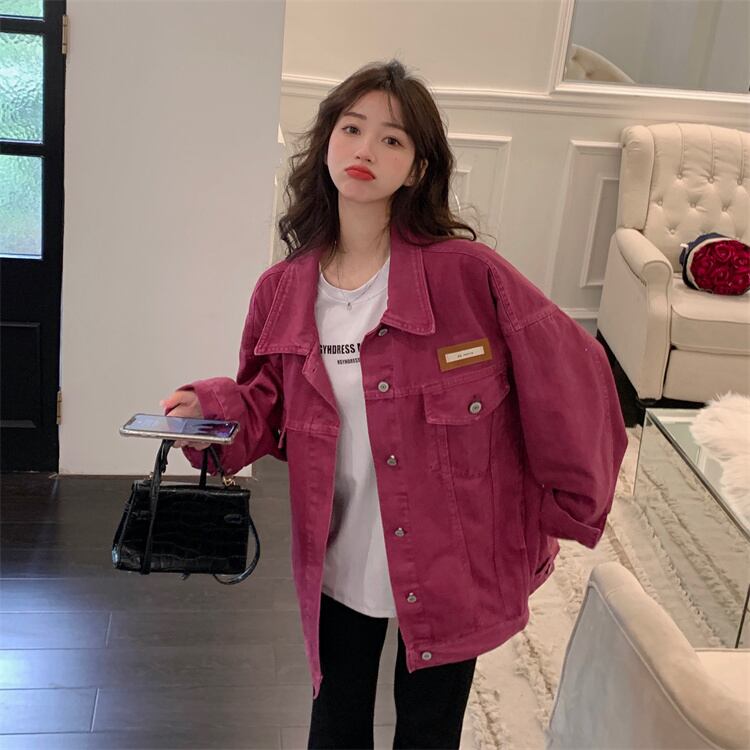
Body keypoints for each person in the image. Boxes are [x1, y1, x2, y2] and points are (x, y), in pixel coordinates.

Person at [160, 59, 628, 750]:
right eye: (351, 129)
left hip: (452, 564)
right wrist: (207, 411)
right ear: (326, 144)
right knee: (335, 725)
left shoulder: (469, 276)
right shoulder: (282, 289)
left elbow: (574, 376)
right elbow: (267, 402)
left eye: (392, 139)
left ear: (416, 169)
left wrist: (562, 506)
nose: (366, 150)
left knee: (430, 734)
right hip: (339, 556)